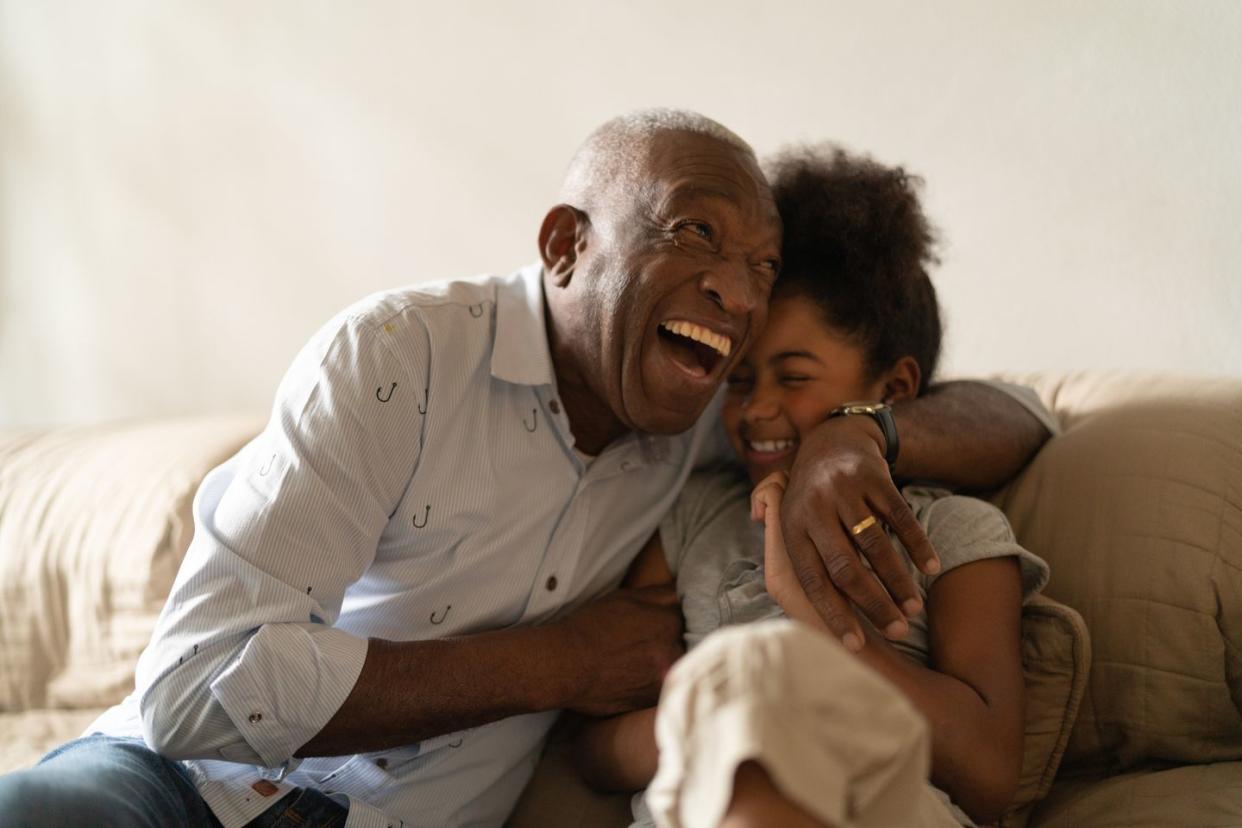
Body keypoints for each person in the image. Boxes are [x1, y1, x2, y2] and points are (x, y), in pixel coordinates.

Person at [0, 112, 1052, 828]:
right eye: (695, 232)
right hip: (176, 788)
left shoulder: (717, 417)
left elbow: (1026, 413)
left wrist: (854, 435)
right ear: (565, 245)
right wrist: (555, 664)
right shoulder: (397, 358)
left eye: (761, 268)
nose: (734, 294)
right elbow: (192, 686)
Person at [575, 144, 1053, 828]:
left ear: (893, 391)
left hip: (885, 810)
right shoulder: (693, 515)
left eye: (795, 378)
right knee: (752, 685)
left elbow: (988, 775)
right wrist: (726, 714)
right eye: (738, 380)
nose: (757, 409)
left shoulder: (951, 530)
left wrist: (817, 619)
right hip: (697, 805)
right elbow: (593, 750)